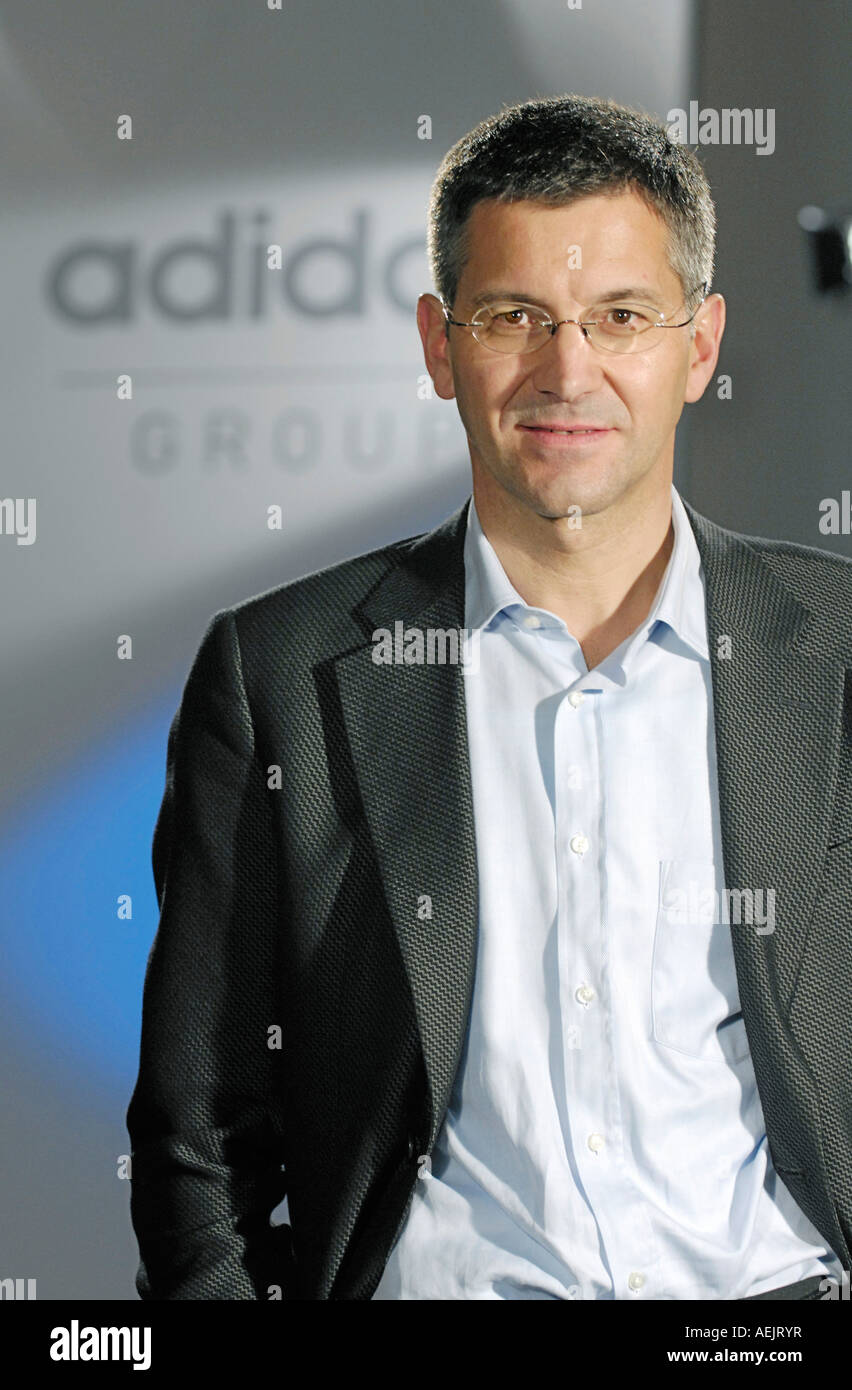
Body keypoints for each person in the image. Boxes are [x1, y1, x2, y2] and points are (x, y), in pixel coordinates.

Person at [126, 93, 852, 1301]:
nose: (568, 370)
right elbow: (200, 1137)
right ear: (439, 342)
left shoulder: (838, 649)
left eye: (621, 316)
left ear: (701, 343)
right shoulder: (278, 676)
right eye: (517, 317)